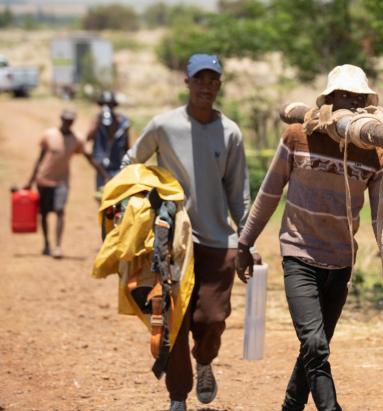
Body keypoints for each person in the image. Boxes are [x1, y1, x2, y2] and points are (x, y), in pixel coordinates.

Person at [235, 64, 383, 411]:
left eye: (359, 99)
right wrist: (244, 243)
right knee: (314, 344)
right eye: (344, 96)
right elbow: (269, 194)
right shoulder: (298, 136)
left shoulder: (376, 150)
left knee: (314, 348)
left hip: (341, 262)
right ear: (328, 100)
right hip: (299, 254)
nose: (352, 105)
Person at [121, 54, 251, 411]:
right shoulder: (164, 126)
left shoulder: (231, 133)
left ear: (219, 85)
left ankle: (205, 360)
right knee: (174, 324)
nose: (206, 86)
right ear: (187, 82)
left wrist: (246, 239)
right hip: (173, 242)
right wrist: (142, 205)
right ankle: (178, 397)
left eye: (213, 80)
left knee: (212, 319)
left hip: (217, 242)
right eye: (200, 79)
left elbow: (238, 192)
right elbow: (131, 164)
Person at [25, 108, 108, 258]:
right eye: (66, 119)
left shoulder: (77, 139)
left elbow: (89, 158)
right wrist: (29, 182)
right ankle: (46, 244)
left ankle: (57, 246)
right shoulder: (49, 135)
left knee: (59, 211)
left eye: (71, 120)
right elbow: (39, 159)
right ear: (61, 119)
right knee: (43, 214)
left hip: (62, 181)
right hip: (43, 179)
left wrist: (104, 175)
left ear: (73, 121)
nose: (68, 122)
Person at [87, 90, 130, 191]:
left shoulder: (123, 122)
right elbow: (88, 138)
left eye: (110, 105)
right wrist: (96, 124)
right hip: (101, 167)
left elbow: (127, 146)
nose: (107, 108)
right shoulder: (97, 120)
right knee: (101, 196)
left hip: (117, 166)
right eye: (104, 105)